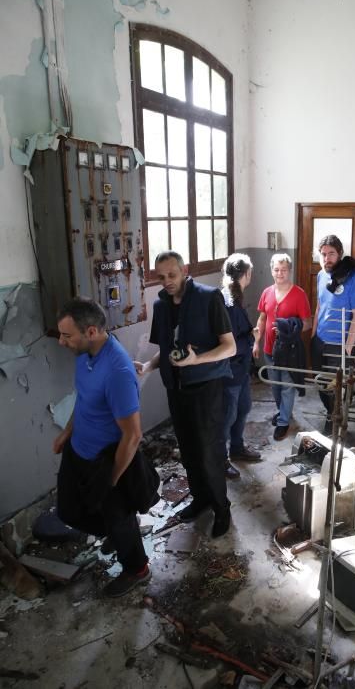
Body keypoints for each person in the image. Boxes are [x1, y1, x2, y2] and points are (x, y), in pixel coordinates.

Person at [53, 298, 155, 598]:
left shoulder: (117, 371)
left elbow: (133, 435)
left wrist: (111, 480)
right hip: (78, 449)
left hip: (106, 459)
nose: (61, 342)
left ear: (92, 331)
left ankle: (137, 569)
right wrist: (67, 433)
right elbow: (84, 399)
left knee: (116, 514)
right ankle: (119, 529)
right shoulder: (84, 355)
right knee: (69, 511)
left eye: (66, 335)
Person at [135, 251, 236, 537]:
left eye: (172, 275)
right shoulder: (161, 305)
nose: (166, 281)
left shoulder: (208, 297)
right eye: (161, 277)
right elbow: (165, 349)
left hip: (206, 387)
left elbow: (229, 347)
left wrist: (196, 360)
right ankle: (201, 499)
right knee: (189, 451)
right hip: (176, 389)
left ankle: (221, 507)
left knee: (209, 452)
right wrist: (147, 366)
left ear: (185, 270)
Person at [311, 235, 355, 434]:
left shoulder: (354, 278)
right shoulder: (321, 275)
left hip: (340, 344)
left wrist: (348, 346)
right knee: (322, 382)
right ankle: (331, 413)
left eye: (331, 254)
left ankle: (338, 420)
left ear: (340, 254)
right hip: (320, 340)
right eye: (323, 254)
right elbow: (319, 306)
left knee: (340, 387)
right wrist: (313, 335)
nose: (327, 258)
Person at [253, 253, 312, 441]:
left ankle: (284, 421)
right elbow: (262, 318)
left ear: (290, 271)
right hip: (270, 349)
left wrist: (290, 326)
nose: (280, 273)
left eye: (284, 270)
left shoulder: (299, 294)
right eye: (276, 269)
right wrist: (256, 341)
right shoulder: (266, 293)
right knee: (276, 386)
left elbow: (307, 323)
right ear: (272, 271)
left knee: (287, 386)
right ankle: (283, 412)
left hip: (290, 351)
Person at [221, 254, 261, 479]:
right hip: (230, 370)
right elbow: (230, 341)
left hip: (242, 369)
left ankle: (236, 448)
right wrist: (251, 336)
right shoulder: (227, 301)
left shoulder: (234, 298)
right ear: (247, 275)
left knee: (243, 408)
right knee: (227, 416)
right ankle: (221, 460)